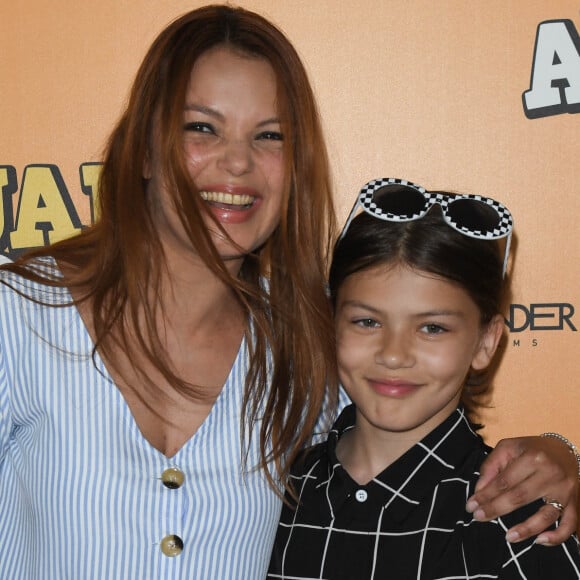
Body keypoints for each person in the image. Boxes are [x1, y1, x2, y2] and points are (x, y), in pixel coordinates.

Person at [0, 7, 577, 579]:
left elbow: (407, 410)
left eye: (269, 136)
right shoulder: (16, 313)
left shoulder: (306, 337)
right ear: (146, 147)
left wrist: (558, 457)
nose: (237, 163)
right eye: (202, 127)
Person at [268, 178, 580, 579]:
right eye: (367, 321)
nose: (394, 354)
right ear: (330, 325)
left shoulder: (517, 523)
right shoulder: (275, 494)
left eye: (432, 328)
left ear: (486, 342)